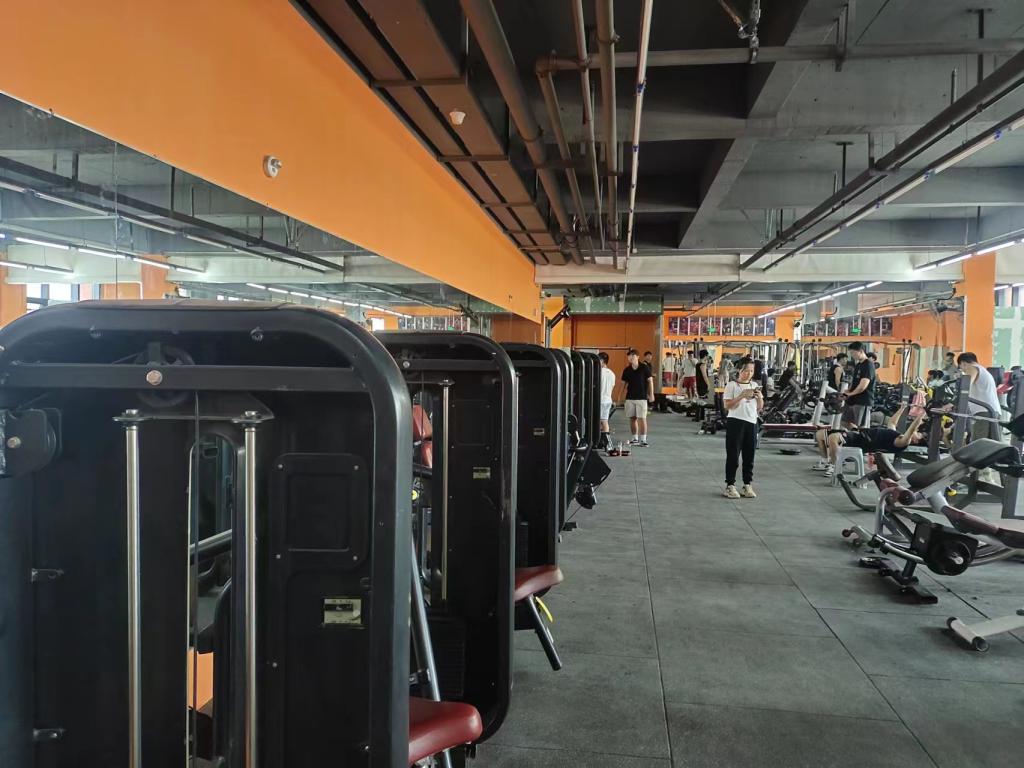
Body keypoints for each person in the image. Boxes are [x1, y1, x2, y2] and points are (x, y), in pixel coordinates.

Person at [815, 405, 926, 478]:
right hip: (860, 433)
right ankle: (825, 462)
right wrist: (903, 408)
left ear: (916, 440)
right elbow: (892, 422)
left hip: (864, 441)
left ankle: (834, 466)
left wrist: (921, 415)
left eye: (918, 433)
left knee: (833, 438)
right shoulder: (897, 435)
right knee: (819, 434)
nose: (917, 431)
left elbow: (911, 429)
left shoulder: (903, 442)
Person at [722, 357, 763, 498]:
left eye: (751, 371)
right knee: (733, 455)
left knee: (749, 456)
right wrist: (742, 396)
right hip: (736, 422)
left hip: (751, 423)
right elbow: (727, 406)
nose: (749, 374)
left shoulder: (754, 385)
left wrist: (759, 397)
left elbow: (759, 408)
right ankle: (730, 485)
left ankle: (747, 484)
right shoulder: (732, 385)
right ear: (739, 370)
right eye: (746, 371)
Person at [957, 352, 1002, 442]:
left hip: (983, 413)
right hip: (993, 411)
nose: (963, 371)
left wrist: (952, 403)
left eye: (961, 368)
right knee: (991, 445)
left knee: (978, 445)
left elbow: (966, 387)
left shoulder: (972, 368)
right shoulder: (984, 371)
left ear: (963, 363)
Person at [617, 348, 654, 446]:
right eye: (629, 356)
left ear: (638, 357)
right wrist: (619, 397)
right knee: (632, 418)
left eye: (633, 355)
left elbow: (650, 381)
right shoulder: (627, 370)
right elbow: (623, 384)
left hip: (641, 397)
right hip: (630, 398)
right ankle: (634, 439)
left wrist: (651, 394)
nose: (631, 357)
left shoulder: (644, 368)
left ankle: (643, 440)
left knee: (642, 418)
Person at [840, 342, 875, 427]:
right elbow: (854, 381)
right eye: (851, 353)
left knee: (861, 427)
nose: (852, 355)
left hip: (862, 401)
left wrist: (850, 394)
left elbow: (863, 386)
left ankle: (858, 435)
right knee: (844, 422)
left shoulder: (868, 365)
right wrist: (848, 391)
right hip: (853, 400)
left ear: (861, 351)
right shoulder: (858, 365)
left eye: (853, 353)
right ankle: (853, 434)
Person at [598, 352, 616, 449]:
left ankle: (598, 441)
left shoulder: (598, 372)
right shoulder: (612, 374)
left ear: (602, 361)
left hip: (599, 400)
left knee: (597, 421)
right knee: (605, 422)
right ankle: (606, 444)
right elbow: (612, 387)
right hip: (608, 400)